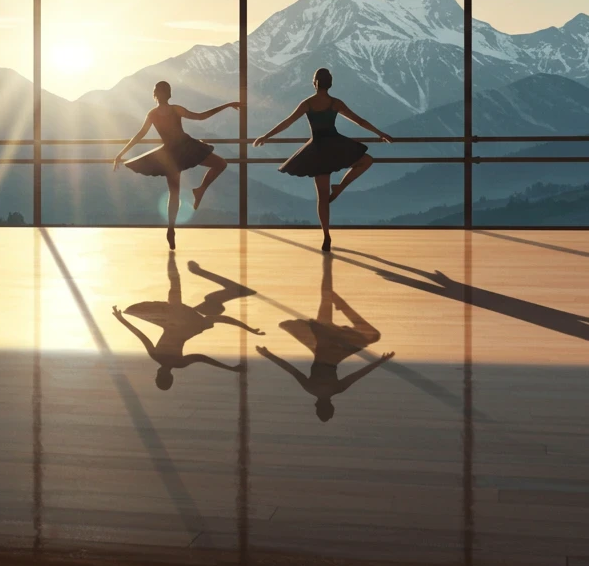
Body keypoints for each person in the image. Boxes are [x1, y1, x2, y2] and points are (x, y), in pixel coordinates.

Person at [253, 68, 391, 252]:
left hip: (317, 149)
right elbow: (359, 120)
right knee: (366, 160)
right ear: (330, 83)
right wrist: (380, 133)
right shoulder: (335, 103)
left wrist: (266, 136)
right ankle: (341, 187)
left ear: (314, 83)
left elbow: (287, 122)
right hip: (335, 144)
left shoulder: (308, 103)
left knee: (322, 197)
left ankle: (326, 236)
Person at [256, 253, 393, 421]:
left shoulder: (337, 389)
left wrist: (381, 361)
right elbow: (291, 370)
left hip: (334, 349)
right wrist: (268, 354)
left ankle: (337, 297)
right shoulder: (311, 388)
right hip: (323, 343)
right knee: (326, 298)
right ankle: (328, 267)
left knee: (373, 336)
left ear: (331, 405)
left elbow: (358, 374)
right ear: (317, 406)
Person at [113, 81, 239, 250]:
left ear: (155, 95)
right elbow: (202, 116)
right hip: (187, 148)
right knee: (220, 164)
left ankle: (171, 228)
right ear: (169, 94)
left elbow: (139, 135)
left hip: (171, 155)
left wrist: (121, 153)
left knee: (174, 194)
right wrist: (228, 104)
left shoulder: (152, 114)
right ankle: (200, 189)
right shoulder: (176, 109)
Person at [112, 254, 260, 390]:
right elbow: (140, 334)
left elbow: (202, 358)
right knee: (176, 284)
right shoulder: (157, 356)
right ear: (161, 375)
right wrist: (121, 319)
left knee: (183, 292)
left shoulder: (178, 363)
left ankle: (172, 257)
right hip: (177, 320)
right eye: (158, 376)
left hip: (183, 324)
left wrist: (231, 368)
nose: (157, 373)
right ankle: (171, 256)